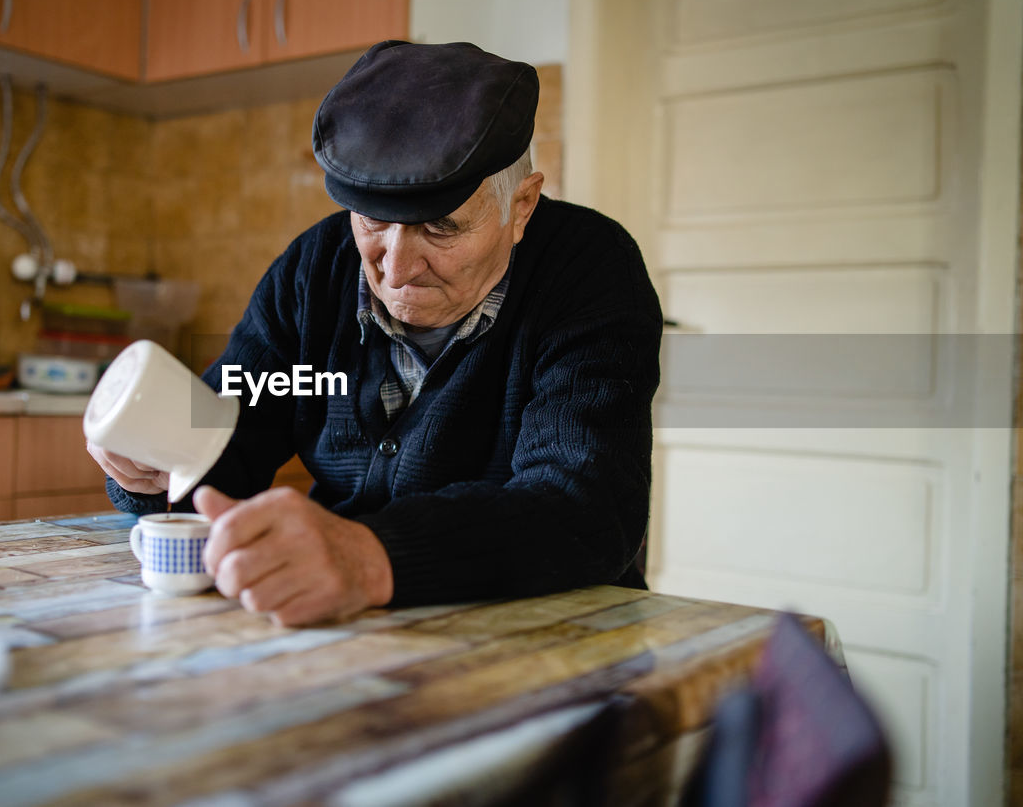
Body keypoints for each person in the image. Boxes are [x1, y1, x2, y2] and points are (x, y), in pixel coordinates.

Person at [89, 40, 662, 627]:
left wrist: (370, 557)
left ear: (521, 206)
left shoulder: (587, 271)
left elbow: (586, 507)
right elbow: (236, 423)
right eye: (372, 222)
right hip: (348, 627)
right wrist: (155, 461)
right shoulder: (316, 270)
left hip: (554, 630)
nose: (395, 267)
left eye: (440, 228)